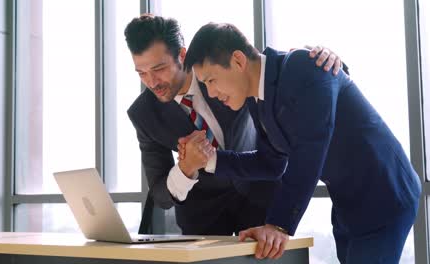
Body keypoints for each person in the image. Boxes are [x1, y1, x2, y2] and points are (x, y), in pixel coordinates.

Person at [180, 22, 421, 263]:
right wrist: (210, 159)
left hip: (384, 193)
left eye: (211, 80)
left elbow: (310, 149)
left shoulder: (304, 65)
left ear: (238, 61)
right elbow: (271, 163)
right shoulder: (257, 102)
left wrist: (278, 226)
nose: (210, 93)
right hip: (348, 204)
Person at [124, 14, 344, 236]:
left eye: (159, 69)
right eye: (142, 73)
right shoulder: (143, 114)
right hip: (203, 219)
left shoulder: (226, 66)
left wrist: (324, 59)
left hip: (262, 198)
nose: (151, 82)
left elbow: (272, 69)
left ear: (182, 55)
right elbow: (160, 194)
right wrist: (186, 168)